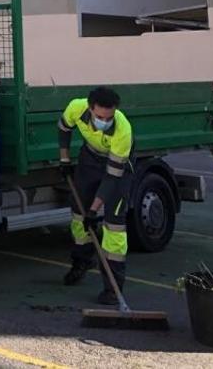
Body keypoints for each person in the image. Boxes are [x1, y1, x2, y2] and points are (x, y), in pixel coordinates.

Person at [57, 86, 133, 305]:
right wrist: (64, 159)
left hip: (117, 168)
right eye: (99, 117)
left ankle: (113, 288)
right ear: (90, 109)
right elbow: (63, 128)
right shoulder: (76, 108)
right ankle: (81, 262)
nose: (104, 121)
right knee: (79, 215)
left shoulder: (123, 130)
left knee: (114, 227)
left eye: (108, 118)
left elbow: (111, 178)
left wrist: (95, 209)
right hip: (89, 159)